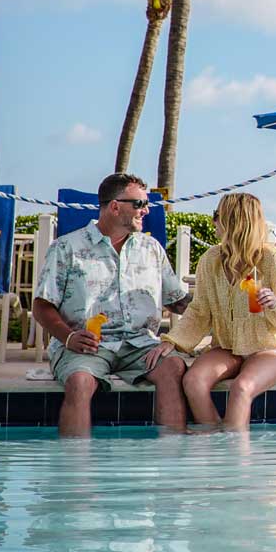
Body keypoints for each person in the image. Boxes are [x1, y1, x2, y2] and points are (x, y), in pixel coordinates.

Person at [33, 172, 192, 436]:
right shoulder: (66, 247)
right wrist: (69, 337)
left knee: (173, 368)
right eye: (139, 204)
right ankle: (75, 467)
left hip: (142, 345)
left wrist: (223, 306)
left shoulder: (151, 249)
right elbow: (42, 305)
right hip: (86, 345)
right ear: (115, 206)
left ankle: (171, 455)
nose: (146, 210)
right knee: (80, 383)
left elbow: (177, 301)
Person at [147, 192, 276, 428]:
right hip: (228, 346)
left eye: (217, 216)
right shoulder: (210, 260)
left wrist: (274, 303)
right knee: (194, 381)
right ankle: (216, 448)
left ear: (234, 222)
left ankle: (233, 457)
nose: (213, 222)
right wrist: (173, 341)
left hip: (271, 347)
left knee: (241, 388)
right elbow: (200, 310)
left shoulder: (270, 258)